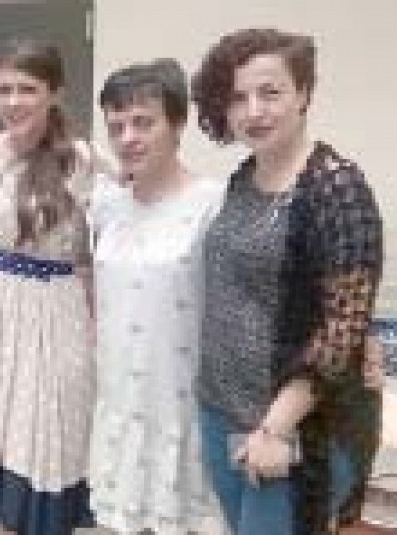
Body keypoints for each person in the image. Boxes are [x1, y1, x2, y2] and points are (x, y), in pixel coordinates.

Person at [192, 28, 384, 534]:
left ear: (303, 94)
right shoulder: (243, 177)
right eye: (238, 97)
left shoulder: (337, 188)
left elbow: (340, 329)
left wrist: (277, 427)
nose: (253, 111)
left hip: (296, 428)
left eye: (270, 92)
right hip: (223, 412)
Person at [0, 39, 98, 535]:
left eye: (28, 89)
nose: (13, 101)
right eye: (4, 89)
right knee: (2, 452)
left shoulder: (79, 158)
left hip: (47, 317)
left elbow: (100, 241)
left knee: (39, 449)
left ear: (54, 93)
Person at [86, 58, 221, 534]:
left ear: (178, 124)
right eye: (116, 126)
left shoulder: (212, 204)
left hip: (182, 404)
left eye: (143, 123)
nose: (128, 138)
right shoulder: (105, 204)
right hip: (121, 402)